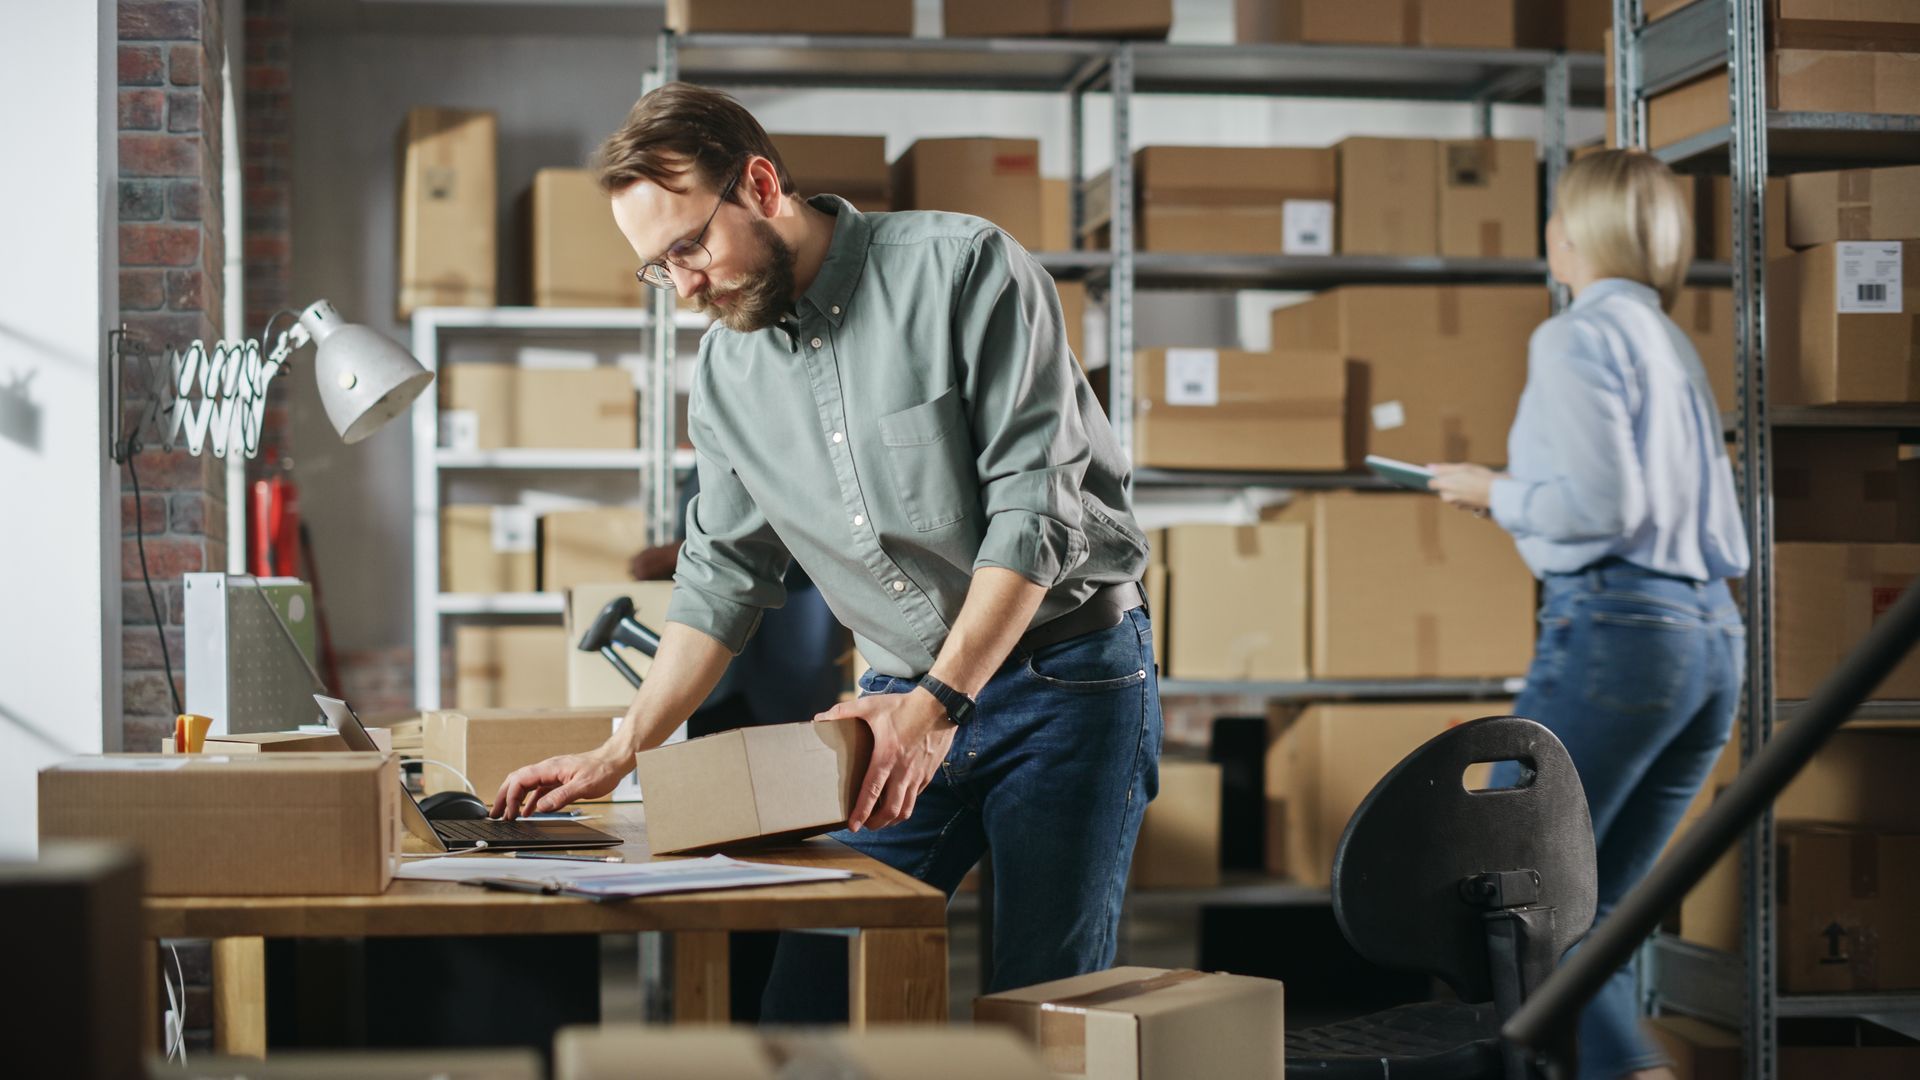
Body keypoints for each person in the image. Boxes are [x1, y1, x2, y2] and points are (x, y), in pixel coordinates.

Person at [491, 83, 1161, 1020]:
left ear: (761, 184)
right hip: (894, 702)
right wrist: (623, 749)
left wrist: (938, 705)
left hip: (1067, 677)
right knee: (813, 997)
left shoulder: (964, 268)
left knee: (1047, 1012)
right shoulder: (727, 376)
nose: (682, 285)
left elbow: (1032, 513)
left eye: (689, 246)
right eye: (658, 267)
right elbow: (723, 572)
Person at [1429, 149, 1750, 1080]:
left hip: (1620, 629)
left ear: (1576, 234)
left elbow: (1600, 508)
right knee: (1589, 911)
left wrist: (1496, 489)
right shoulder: (1667, 339)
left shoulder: (1575, 335)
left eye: (1557, 216)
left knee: (1503, 884)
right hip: (1708, 642)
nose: (1547, 235)